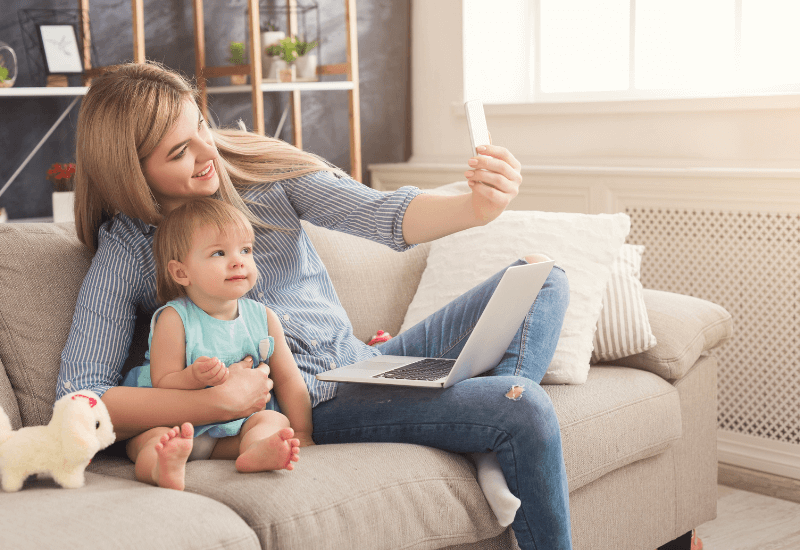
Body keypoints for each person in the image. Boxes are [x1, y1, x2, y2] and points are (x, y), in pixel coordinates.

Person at [58, 61, 572, 549]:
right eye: (178, 153)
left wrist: (476, 207)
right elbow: (80, 396)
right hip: (315, 403)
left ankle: (485, 439)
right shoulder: (127, 251)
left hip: (365, 364)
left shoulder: (259, 173)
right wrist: (212, 404)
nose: (207, 152)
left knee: (543, 277)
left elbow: (381, 214)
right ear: (133, 173)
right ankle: (494, 427)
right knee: (520, 407)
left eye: (200, 126)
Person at [122, 198, 310, 490]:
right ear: (181, 272)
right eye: (219, 253)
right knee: (147, 440)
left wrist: (302, 431)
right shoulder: (175, 318)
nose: (238, 260)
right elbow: (162, 381)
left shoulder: (264, 318)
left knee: (272, 420)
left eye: (245, 250)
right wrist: (192, 378)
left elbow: (289, 381)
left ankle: (257, 451)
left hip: (232, 432)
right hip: (178, 425)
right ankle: (161, 466)